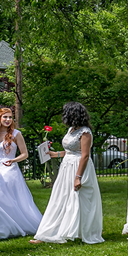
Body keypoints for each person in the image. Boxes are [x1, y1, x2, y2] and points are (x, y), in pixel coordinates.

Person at [30, 102, 104, 245]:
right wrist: (55, 154)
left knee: (78, 199)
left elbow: (84, 155)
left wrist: (78, 177)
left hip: (78, 168)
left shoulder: (85, 132)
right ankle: (49, 233)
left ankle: (76, 231)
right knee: (60, 198)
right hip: (66, 167)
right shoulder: (71, 130)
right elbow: (70, 151)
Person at [0, 108, 42, 239]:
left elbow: (25, 154)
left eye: (10, 117)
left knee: (4, 197)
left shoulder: (16, 134)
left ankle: (11, 226)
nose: (8, 120)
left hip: (10, 169)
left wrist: (13, 160)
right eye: (5, 117)